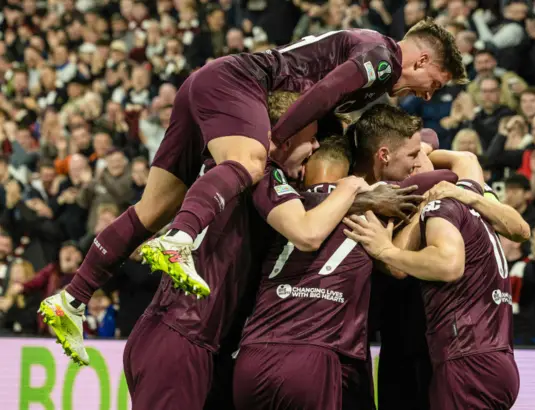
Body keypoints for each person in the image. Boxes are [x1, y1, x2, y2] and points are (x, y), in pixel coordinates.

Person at [39, 19, 467, 363]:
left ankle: (73, 297)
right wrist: (275, 139)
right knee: (247, 164)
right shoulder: (384, 56)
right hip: (241, 82)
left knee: (152, 208)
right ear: (423, 58)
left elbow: (329, 107)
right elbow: (324, 92)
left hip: (208, 85)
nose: (431, 92)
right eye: (437, 81)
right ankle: (180, 241)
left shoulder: (373, 71)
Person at [122, 96, 421, 410]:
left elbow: (307, 203)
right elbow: (307, 231)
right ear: (286, 138)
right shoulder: (264, 175)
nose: (314, 146)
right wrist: (353, 191)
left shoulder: (245, 172)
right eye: (310, 139)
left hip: (202, 339)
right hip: (185, 334)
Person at [343, 150, 526, 409]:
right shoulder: (475, 203)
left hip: (467, 359)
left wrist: (387, 250)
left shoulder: (440, 206)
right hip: (499, 359)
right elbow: (521, 229)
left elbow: (447, 265)